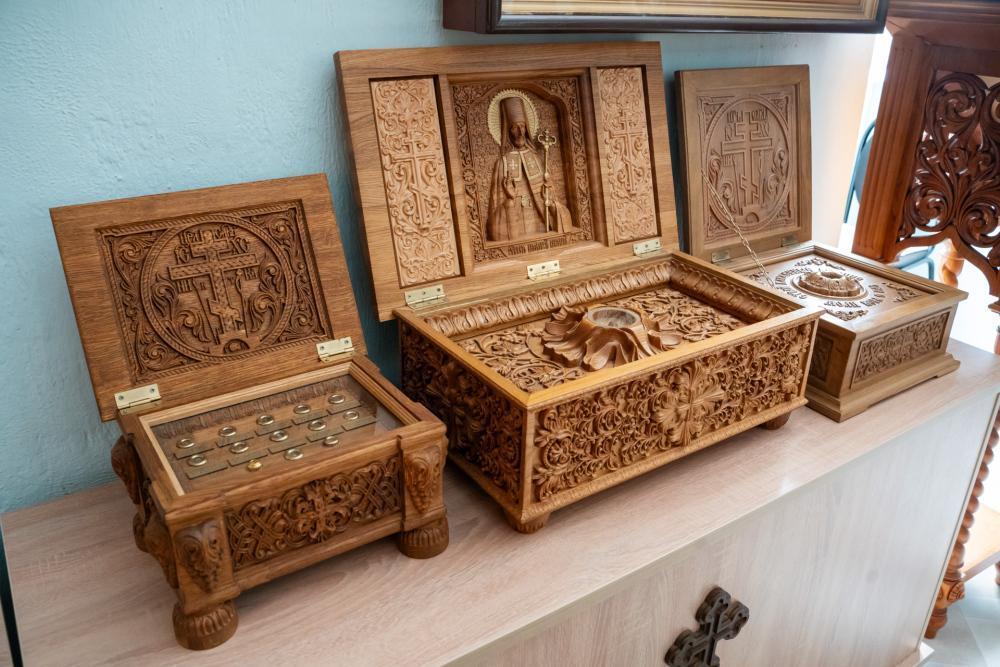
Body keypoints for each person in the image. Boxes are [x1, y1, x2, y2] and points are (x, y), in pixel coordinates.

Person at [486, 95, 573, 242]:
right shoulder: (503, 164)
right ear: (507, 130)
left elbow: (555, 204)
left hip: (540, 223)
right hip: (516, 225)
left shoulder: (537, 159)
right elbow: (496, 223)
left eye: (523, 126)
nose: (520, 132)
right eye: (515, 127)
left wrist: (550, 202)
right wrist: (510, 201)